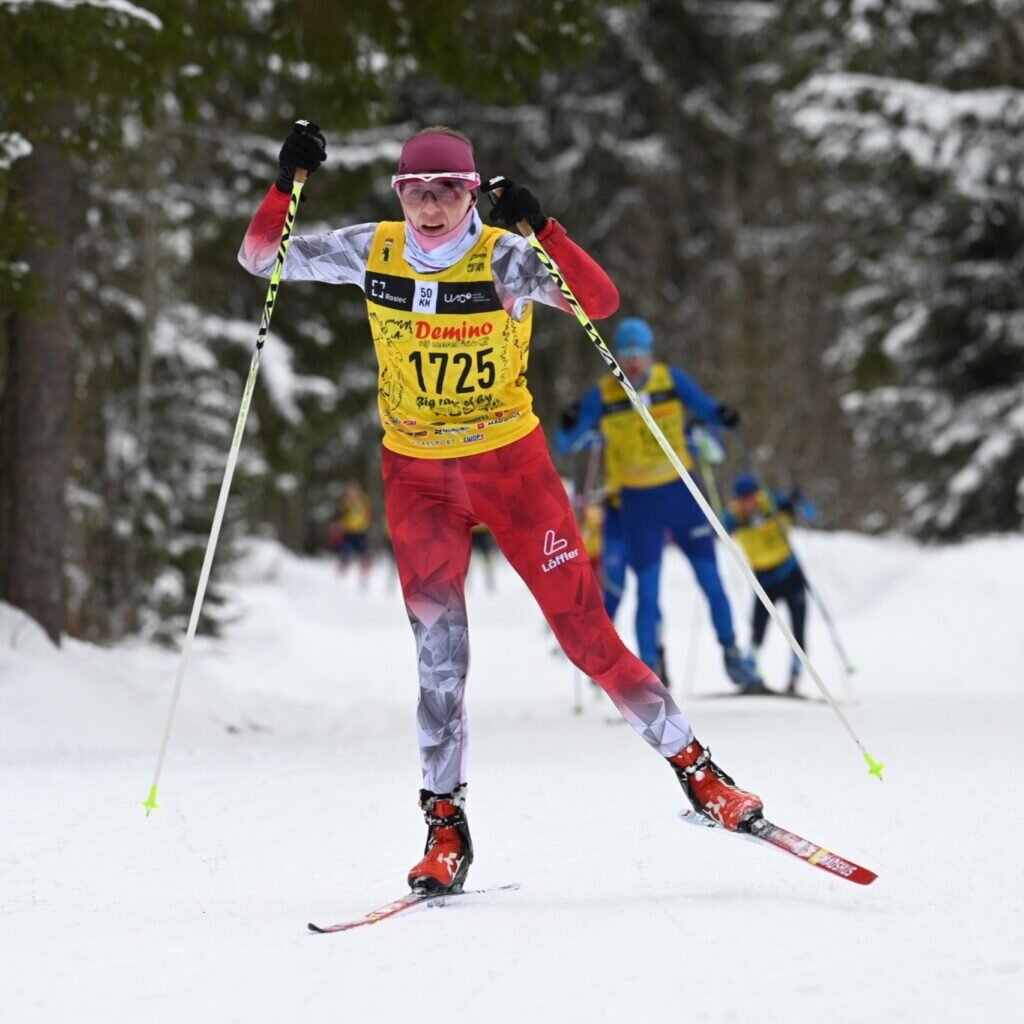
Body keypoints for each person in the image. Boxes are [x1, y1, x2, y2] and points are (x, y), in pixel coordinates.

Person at [239, 120, 766, 895]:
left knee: (587, 634)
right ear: (398, 193)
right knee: (439, 658)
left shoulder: (508, 259)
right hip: (417, 475)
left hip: (508, 469)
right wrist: (287, 182)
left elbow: (600, 298)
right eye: (415, 190)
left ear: (471, 192)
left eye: (447, 190)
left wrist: (543, 224)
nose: (429, 206)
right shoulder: (373, 249)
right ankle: (444, 827)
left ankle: (699, 773)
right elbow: (261, 259)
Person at [555, 317, 762, 691]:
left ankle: (733, 655)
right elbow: (567, 444)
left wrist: (724, 416)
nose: (633, 363)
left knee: (711, 580)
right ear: (615, 356)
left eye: (640, 354)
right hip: (638, 503)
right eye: (626, 354)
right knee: (647, 591)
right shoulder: (603, 395)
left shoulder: (672, 380)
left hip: (682, 493)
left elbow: (708, 408)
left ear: (650, 355)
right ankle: (648, 672)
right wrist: (567, 423)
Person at [723, 473, 815, 694]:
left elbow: (810, 513)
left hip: (790, 574)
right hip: (764, 580)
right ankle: (752, 674)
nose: (748, 502)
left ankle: (794, 678)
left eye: (751, 496)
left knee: (798, 629)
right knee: (758, 629)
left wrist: (798, 502)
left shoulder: (775, 503)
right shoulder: (735, 517)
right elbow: (719, 526)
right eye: (743, 498)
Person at [329, 481, 375, 588]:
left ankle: (364, 580)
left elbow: (370, 515)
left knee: (365, 556)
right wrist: (337, 526)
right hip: (347, 533)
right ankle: (340, 580)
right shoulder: (343, 504)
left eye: (354, 491)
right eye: (349, 492)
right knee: (345, 556)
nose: (352, 494)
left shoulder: (364, 502)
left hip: (361, 533)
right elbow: (336, 518)